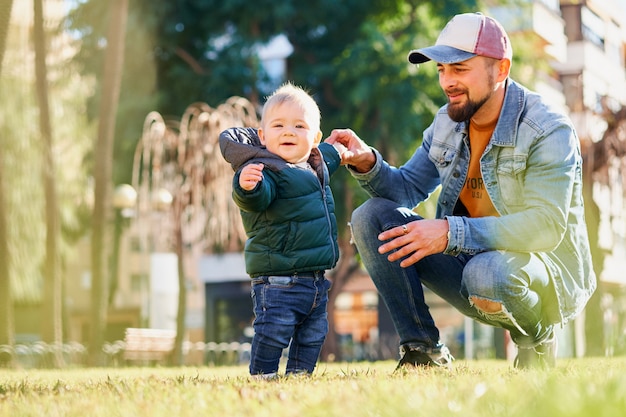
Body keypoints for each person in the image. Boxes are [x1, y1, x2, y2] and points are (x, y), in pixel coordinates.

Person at [326, 12, 596, 370]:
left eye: (460, 68)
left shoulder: (546, 129)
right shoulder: (448, 121)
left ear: (500, 69)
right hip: (468, 262)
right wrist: (365, 161)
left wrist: (450, 232)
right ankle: (423, 350)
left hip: (539, 272)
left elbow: (546, 226)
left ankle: (537, 336)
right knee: (370, 217)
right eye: (441, 69)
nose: (447, 81)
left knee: (486, 272)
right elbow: (405, 189)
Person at [219, 82, 343, 378]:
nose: (288, 132)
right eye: (278, 125)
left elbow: (328, 157)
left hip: (315, 280)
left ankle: (299, 376)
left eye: (299, 126)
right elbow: (256, 198)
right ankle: (263, 375)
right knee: (274, 331)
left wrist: (341, 150)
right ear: (263, 136)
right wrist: (247, 186)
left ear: (314, 138)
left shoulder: (313, 166)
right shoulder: (268, 169)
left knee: (313, 334)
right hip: (278, 281)